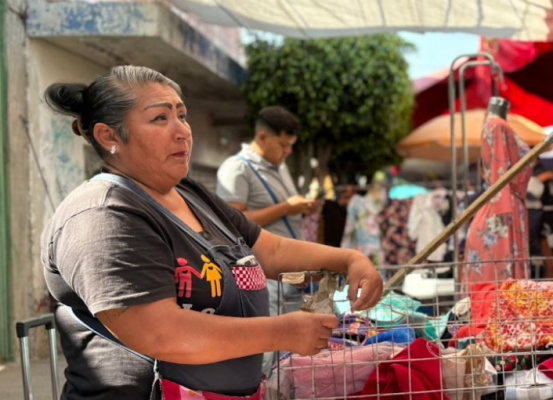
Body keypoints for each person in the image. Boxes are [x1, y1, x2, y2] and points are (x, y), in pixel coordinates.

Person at [41, 66, 383, 399]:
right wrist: (282, 332)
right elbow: (160, 333)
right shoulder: (103, 216)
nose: (182, 131)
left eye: (182, 115)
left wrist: (349, 259)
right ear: (109, 136)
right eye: (160, 118)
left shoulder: (190, 193)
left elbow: (270, 251)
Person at [216, 106, 318, 317]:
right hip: (263, 278)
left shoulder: (280, 167)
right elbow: (231, 223)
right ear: (263, 137)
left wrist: (302, 208)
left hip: (291, 276)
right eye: (283, 145)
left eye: (291, 145)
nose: (288, 151)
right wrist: (286, 208)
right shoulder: (237, 168)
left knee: (294, 345)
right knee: (272, 344)